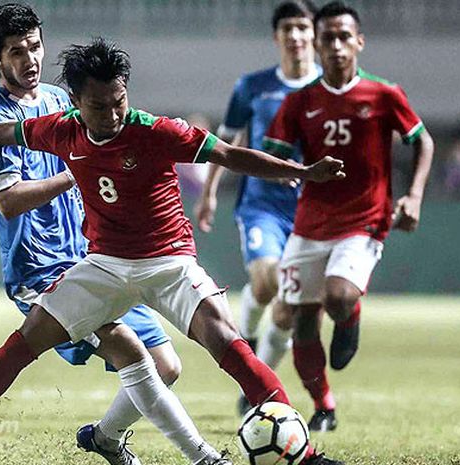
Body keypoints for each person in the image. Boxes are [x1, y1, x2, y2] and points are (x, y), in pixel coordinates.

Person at [0, 37, 347, 465]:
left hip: (168, 259)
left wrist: (303, 171)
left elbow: (227, 154)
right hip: (105, 264)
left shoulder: (157, 131)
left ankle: (302, 455)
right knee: (23, 344)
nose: (111, 115)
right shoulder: (62, 130)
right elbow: (2, 134)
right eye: (97, 106)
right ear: (78, 103)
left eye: (118, 102)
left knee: (226, 340)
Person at [0, 5, 226, 465]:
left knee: (166, 367)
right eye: (16, 52)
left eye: (35, 46)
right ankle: (206, 459)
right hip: (40, 267)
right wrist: (75, 173)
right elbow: (11, 200)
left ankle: (104, 437)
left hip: (93, 260)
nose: (30, 59)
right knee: (121, 353)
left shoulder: (61, 99)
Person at [264, 1, 435, 432]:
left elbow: (423, 142)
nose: (337, 46)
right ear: (317, 46)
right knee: (301, 319)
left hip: (365, 219)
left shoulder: (383, 94)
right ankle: (324, 406)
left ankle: (350, 316)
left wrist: (413, 196)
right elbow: (276, 156)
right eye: (328, 38)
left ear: (359, 41)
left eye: (345, 37)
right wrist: (286, 172)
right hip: (309, 223)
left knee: (338, 297)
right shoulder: (299, 102)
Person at [194, 0, 320, 414]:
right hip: (261, 205)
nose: (297, 36)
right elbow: (225, 144)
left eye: (303, 27)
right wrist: (211, 191)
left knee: (288, 308)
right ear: (277, 36)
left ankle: (256, 386)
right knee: (266, 282)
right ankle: (244, 332)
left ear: (314, 34)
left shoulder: (331, 89)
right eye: (289, 28)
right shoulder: (252, 86)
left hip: (312, 213)